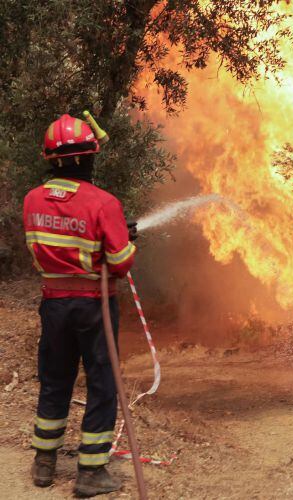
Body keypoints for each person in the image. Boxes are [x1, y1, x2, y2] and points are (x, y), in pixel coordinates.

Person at [24, 113, 137, 496]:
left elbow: (50, 246)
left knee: (55, 381)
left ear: (50, 159)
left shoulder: (31, 201)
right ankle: (90, 472)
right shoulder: (103, 203)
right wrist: (127, 239)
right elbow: (120, 263)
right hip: (94, 307)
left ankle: (44, 462)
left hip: (54, 306)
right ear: (88, 157)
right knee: (102, 383)